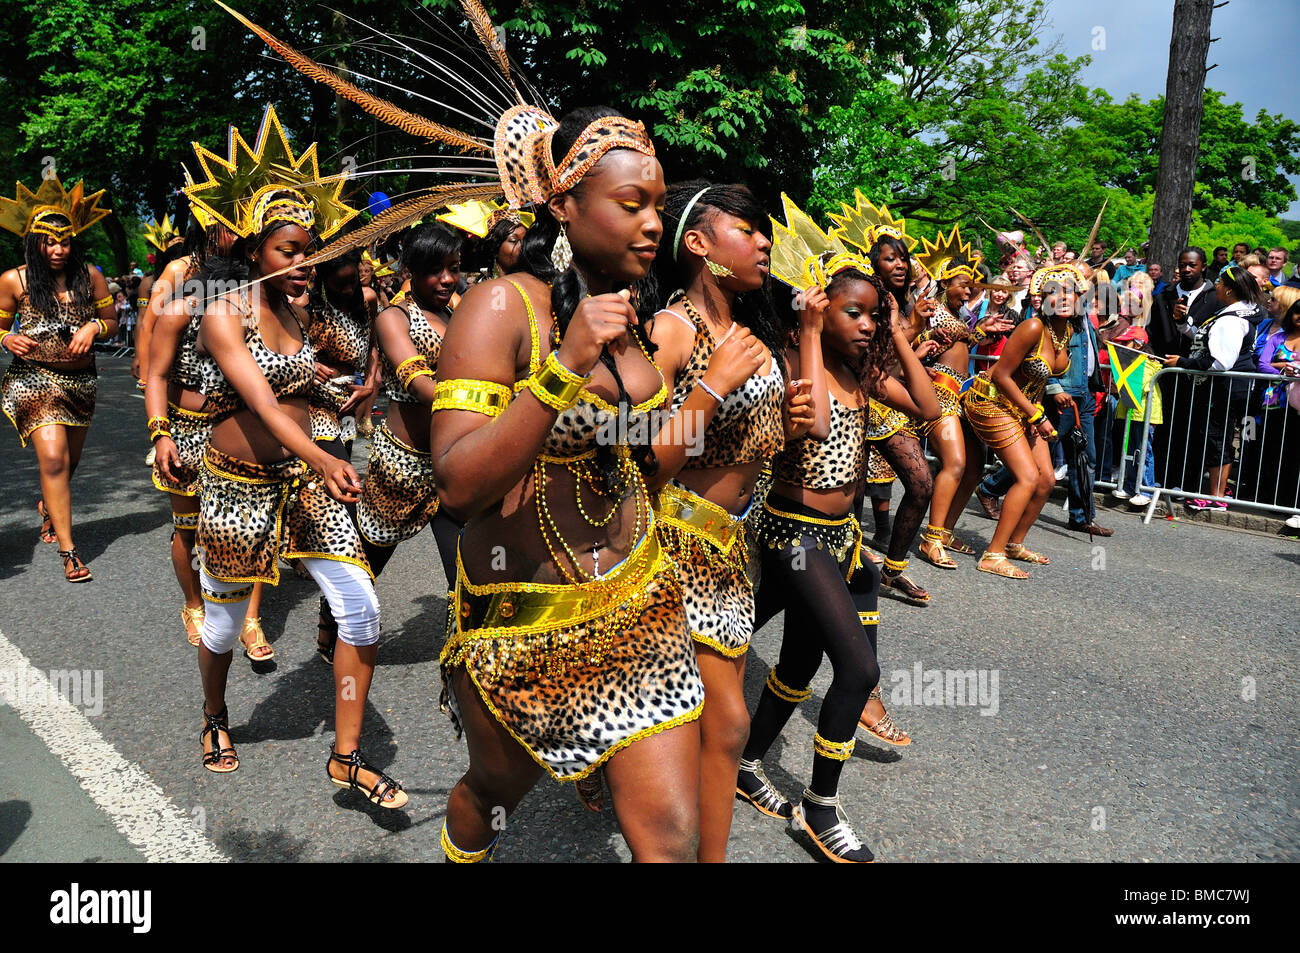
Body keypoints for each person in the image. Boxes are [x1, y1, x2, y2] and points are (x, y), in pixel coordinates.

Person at [738, 253, 938, 862]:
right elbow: (815, 418)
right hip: (792, 535)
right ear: (823, 312)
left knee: (797, 666)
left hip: (839, 539)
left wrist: (901, 333)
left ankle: (745, 763)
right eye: (855, 313)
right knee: (858, 669)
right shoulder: (794, 365)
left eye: (874, 315)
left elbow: (928, 409)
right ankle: (819, 805)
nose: (868, 324)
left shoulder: (865, 376)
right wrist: (806, 327)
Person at [643, 183, 812, 861]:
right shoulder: (669, 330)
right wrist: (712, 386)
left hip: (734, 540)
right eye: (746, 230)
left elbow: (771, 436)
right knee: (728, 719)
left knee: (704, 717)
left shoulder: (748, 332)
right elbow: (640, 463)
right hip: (676, 538)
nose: (764, 242)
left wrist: (787, 422)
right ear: (698, 244)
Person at [145, 188, 271, 656]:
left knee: (253, 525)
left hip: (238, 430)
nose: (238, 237)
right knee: (189, 527)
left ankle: (251, 619)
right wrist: (161, 436)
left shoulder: (263, 302)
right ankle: (194, 603)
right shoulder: (184, 300)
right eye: (231, 227)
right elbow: (156, 374)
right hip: (184, 430)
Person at [334, 223, 463, 662]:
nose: (446, 280)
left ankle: (468, 654)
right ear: (410, 270)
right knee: (368, 560)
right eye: (434, 271)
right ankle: (334, 625)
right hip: (401, 466)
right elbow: (415, 377)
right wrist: (483, 400)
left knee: (464, 567)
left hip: (452, 461)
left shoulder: (461, 314)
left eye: (453, 269)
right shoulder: (395, 317)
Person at [0, 174, 117, 581]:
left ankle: (50, 506)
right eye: (48, 242)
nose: (57, 249)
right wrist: (6, 337)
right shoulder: (13, 280)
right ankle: (70, 551)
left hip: (81, 383)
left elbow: (112, 321)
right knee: (52, 459)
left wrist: (93, 329)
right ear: (33, 243)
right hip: (33, 379)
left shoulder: (90, 275)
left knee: (69, 463)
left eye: (64, 241)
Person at [950, 264, 1079, 577]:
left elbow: (1041, 380)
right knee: (1026, 477)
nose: (1063, 299)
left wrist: (1040, 410)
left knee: (1046, 478)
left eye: (1070, 293)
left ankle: (1013, 544)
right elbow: (1004, 375)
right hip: (992, 401)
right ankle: (992, 555)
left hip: (1022, 409)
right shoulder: (1032, 327)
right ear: (1042, 299)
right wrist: (1037, 414)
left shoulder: (1067, 332)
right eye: (1054, 293)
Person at [909, 226, 1014, 569]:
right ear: (943, 283)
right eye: (963, 284)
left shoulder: (956, 315)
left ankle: (948, 529)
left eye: (971, 285)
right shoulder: (932, 310)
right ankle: (931, 537)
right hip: (939, 396)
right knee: (954, 463)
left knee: (972, 467)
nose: (969, 289)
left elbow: (963, 339)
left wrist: (982, 331)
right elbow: (914, 338)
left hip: (960, 394)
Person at [1161, 264, 1267, 509]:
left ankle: (1216, 497)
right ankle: (1215, 493)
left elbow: (1220, 361)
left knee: (1217, 439)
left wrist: (1183, 362)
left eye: (1219, 283)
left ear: (1229, 290)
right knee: (1217, 438)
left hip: (1224, 388)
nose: (1216, 286)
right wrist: (1182, 323)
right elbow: (1205, 338)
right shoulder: (1232, 314)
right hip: (1226, 388)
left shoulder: (1230, 320)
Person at [1044, 272, 1113, 537]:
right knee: (1041, 449)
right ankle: (991, 488)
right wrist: (1054, 387)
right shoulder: (1051, 321)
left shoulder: (1087, 319)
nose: (1080, 292)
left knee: (1084, 455)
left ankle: (1082, 517)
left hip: (1083, 397)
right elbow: (1039, 357)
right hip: (1062, 397)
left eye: (1082, 288)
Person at [1148, 247, 1217, 491]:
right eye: (1183, 265)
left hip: (1197, 374)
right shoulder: (1164, 295)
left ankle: (1186, 485)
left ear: (1203, 266)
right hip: (1166, 372)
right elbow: (1153, 333)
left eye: (1192, 265)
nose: (1187, 270)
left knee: (1192, 430)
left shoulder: (1214, 298)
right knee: (1164, 427)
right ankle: (1159, 479)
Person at [305, 248, 380, 462]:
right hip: (316, 401)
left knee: (342, 465)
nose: (348, 289)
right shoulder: (309, 308)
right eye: (340, 284)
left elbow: (372, 345)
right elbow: (284, 351)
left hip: (347, 401)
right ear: (324, 281)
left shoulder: (367, 300)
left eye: (352, 281)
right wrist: (310, 365)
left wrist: (368, 384)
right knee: (339, 469)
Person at [438, 199, 531, 282]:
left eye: (525, 240)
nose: (522, 246)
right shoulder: (481, 289)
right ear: (494, 248)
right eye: (514, 240)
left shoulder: (535, 284)